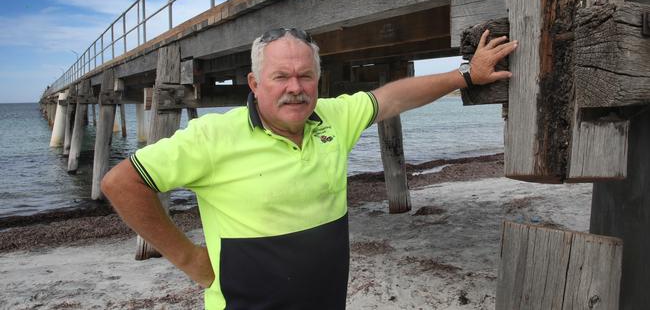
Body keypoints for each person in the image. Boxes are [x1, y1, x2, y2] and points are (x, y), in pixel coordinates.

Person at [101, 27, 517, 309]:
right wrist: (189, 259)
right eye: (280, 76)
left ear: (318, 80)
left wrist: (465, 75)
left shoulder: (335, 117)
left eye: (305, 76)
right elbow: (122, 182)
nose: (295, 88)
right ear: (254, 83)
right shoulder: (212, 137)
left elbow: (394, 97)